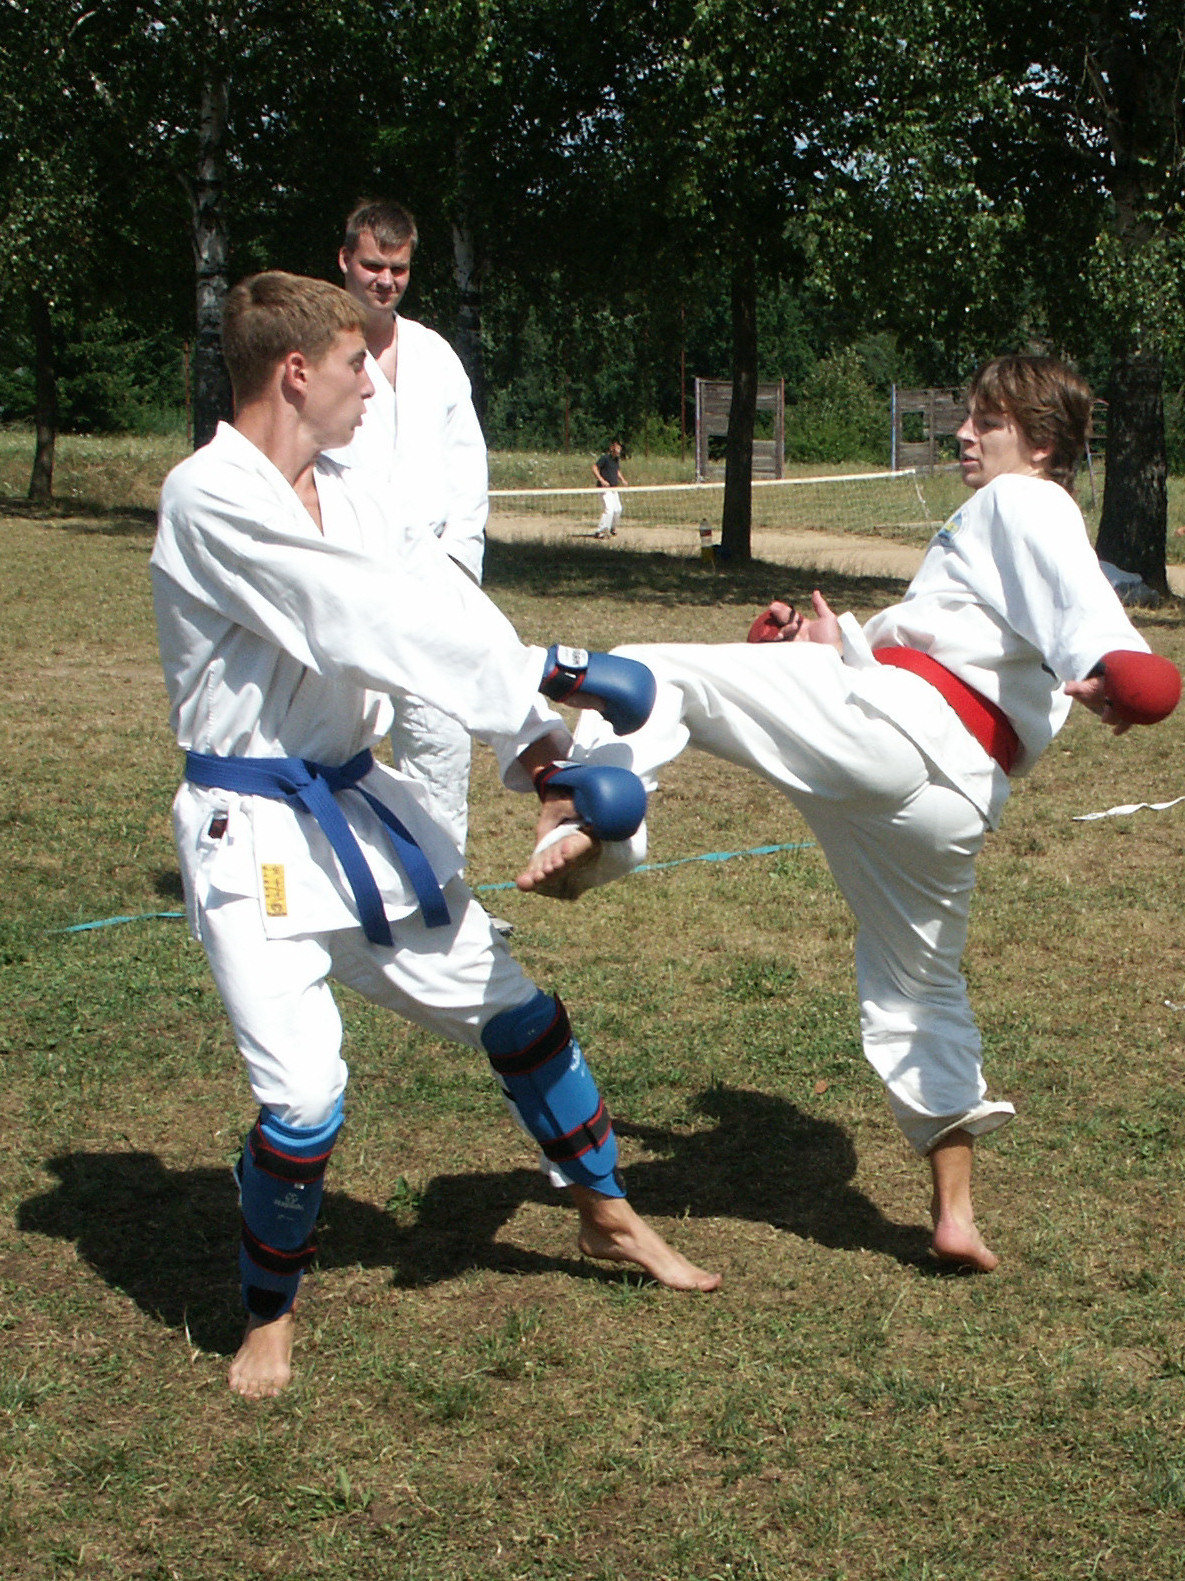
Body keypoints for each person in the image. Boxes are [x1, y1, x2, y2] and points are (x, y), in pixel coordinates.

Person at [151, 272, 720, 1399]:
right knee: (303, 1097)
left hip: (359, 817)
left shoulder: (351, 488)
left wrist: (541, 745)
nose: (374, 383)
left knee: (520, 1015)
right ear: (296, 373)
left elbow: (440, 601)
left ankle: (606, 1214)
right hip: (253, 836)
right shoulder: (207, 495)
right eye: (356, 363)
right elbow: (353, 620)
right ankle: (269, 1313)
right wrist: (553, 673)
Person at [520, 355, 1180, 1273]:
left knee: (647, 672)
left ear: (1039, 443)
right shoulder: (997, 520)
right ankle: (954, 1215)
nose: (964, 433)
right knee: (922, 990)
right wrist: (828, 649)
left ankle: (590, 832)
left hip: (902, 735)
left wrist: (1122, 666)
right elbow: (964, 654)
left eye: (986, 421)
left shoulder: (1025, 498)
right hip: (950, 792)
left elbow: (1088, 612)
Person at [327, 198, 487, 858]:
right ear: (345, 260)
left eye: (398, 268)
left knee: (440, 744)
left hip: (433, 584)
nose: (385, 281)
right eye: (372, 265)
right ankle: (337, 880)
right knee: (339, 744)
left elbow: (468, 471)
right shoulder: (315, 352)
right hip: (347, 582)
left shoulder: (434, 356)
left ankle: (442, 886)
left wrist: (456, 570)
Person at [592, 439, 628, 538]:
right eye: (617, 448)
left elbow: (617, 471)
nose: (618, 450)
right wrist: (602, 480)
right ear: (612, 448)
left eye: (619, 448)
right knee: (609, 509)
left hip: (614, 488)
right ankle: (601, 530)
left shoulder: (616, 460)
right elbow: (594, 468)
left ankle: (612, 528)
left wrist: (623, 480)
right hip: (604, 488)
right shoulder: (605, 458)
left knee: (618, 509)